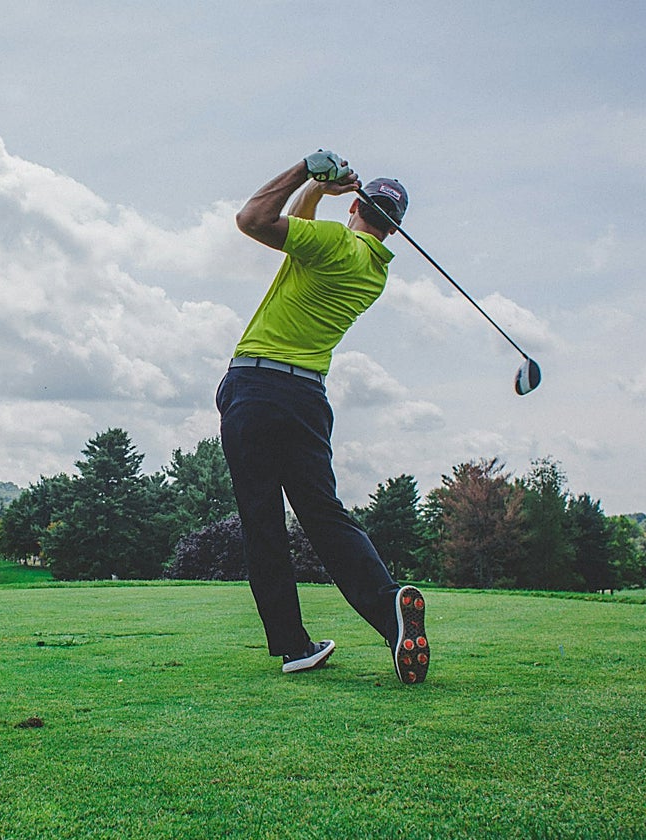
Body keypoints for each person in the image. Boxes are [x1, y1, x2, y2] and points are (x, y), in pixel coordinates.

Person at [216, 148, 429, 683]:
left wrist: (303, 170)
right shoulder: (372, 269)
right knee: (325, 517)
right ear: (395, 230)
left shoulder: (334, 243)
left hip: (258, 388)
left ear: (356, 207)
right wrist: (321, 191)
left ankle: (292, 645)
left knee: (262, 521)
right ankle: (389, 614)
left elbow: (254, 220)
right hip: (308, 399)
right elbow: (302, 231)